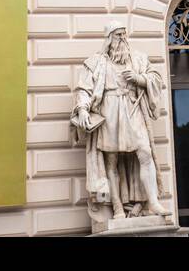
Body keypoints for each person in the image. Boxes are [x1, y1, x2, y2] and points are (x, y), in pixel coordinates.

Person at [71, 20, 169, 222]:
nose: (122, 39)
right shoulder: (97, 62)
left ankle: (152, 201)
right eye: (117, 35)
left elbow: (156, 78)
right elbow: (84, 89)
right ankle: (117, 207)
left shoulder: (138, 59)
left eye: (124, 34)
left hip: (133, 111)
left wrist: (139, 78)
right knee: (111, 161)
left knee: (145, 153)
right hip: (109, 112)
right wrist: (82, 109)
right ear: (109, 39)